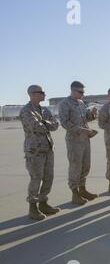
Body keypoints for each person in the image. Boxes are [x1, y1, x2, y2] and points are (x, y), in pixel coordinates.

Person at [19, 85, 60, 221]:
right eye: (41, 92)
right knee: (36, 178)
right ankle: (33, 208)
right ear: (32, 94)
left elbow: (55, 125)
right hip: (35, 150)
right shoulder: (26, 111)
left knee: (49, 177)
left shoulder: (44, 110)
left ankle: (43, 203)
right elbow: (37, 127)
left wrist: (44, 122)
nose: (44, 94)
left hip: (48, 149)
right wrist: (46, 123)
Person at [58, 81, 99, 205]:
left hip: (85, 139)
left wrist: (92, 115)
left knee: (86, 166)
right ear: (72, 90)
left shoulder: (81, 103)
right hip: (74, 140)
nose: (83, 94)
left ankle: (83, 189)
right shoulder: (64, 104)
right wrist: (81, 130)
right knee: (76, 166)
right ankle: (75, 194)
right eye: (80, 92)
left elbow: (86, 119)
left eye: (83, 92)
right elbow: (64, 122)